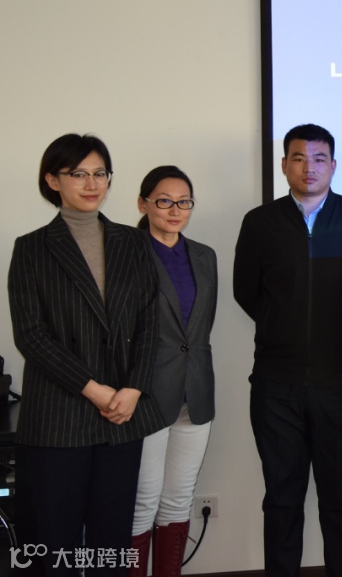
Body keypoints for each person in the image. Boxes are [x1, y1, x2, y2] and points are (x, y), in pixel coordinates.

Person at [233, 124, 342, 577]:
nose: (309, 167)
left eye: (319, 158)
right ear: (284, 165)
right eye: (298, 158)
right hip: (275, 385)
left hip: (340, 383)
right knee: (282, 498)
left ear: (333, 165)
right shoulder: (260, 222)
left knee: (340, 497)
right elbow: (247, 292)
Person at [9, 134, 164, 576]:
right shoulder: (31, 248)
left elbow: (150, 323)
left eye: (100, 173)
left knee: (110, 543)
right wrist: (95, 390)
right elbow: (31, 336)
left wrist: (133, 388)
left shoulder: (133, 242)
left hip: (122, 416)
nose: (92, 183)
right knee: (55, 545)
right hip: (59, 417)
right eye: (78, 174)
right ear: (52, 180)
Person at [130, 166, 218, 577]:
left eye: (184, 201)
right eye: (164, 201)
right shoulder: (127, 253)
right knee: (142, 503)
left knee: (178, 500)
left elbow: (199, 329)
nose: (174, 209)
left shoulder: (204, 255)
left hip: (195, 393)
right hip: (144, 396)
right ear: (143, 204)